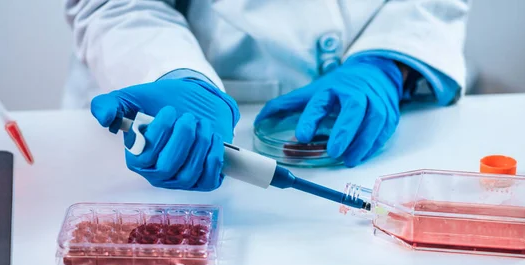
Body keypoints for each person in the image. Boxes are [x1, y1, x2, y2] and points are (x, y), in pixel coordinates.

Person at [63, 0, 469, 191]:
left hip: (387, 111)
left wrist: (389, 59)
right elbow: (119, 6)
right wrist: (177, 75)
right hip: (188, 117)